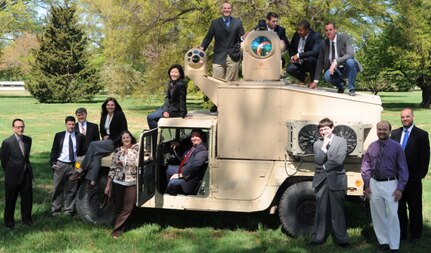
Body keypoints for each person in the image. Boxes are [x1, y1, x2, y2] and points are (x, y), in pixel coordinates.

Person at [361, 121, 409, 253]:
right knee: (378, 215)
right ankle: (384, 242)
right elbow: (365, 166)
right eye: (379, 129)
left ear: (389, 131)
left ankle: (394, 246)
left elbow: (403, 169)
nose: (381, 132)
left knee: (393, 214)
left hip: (391, 184)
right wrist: (367, 184)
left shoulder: (396, 147)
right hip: (374, 183)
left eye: (384, 129)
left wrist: (400, 188)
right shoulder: (371, 147)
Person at [390, 108, 430, 243]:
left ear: (413, 117)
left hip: (413, 178)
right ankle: (401, 233)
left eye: (407, 116)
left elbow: (425, 157)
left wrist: (420, 175)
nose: (405, 119)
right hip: (397, 179)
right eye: (402, 117)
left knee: (415, 207)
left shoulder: (421, 135)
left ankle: (415, 235)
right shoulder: (394, 134)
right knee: (399, 207)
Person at [70, 97, 128, 188]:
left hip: (115, 142)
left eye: (112, 105)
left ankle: (81, 169)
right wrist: (104, 135)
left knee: (93, 144)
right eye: (108, 105)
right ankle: (92, 181)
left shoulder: (119, 115)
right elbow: (102, 129)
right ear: (105, 106)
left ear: (115, 106)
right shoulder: (104, 115)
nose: (110, 106)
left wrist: (113, 139)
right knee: (97, 155)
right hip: (105, 141)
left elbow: (124, 130)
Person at [310, 118, 350, 248]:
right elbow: (318, 160)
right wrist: (324, 146)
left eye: (326, 128)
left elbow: (339, 160)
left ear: (332, 128)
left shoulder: (341, 141)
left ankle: (342, 240)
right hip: (321, 181)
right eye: (321, 129)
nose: (323, 132)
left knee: (337, 211)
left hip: (336, 180)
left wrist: (325, 167)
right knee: (321, 210)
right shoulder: (317, 144)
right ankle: (318, 238)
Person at [309, 21, 362, 96]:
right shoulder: (324, 43)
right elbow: (320, 61)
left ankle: (351, 88)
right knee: (327, 76)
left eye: (330, 29)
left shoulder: (345, 38)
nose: (328, 32)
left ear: (335, 30)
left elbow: (350, 54)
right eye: (326, 30)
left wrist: (336, 61)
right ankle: (341, 85)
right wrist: (315, 80)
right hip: (334, 71)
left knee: (350, 61)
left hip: (347, 68)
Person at [104, 131, 139, 239]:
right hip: (118, 182)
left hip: (131, 182)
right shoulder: (117, 151)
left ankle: (116, 231)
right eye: (124, 138)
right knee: (118, 207)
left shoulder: (137, 150)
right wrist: (108, 185)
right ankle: (120, 227)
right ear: (121, 140)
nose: (126, 139)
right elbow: (112, 168)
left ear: (131, 138)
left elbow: (146, 158)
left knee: (128, 207)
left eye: (127, 137)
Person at [49, 116, 86, 216]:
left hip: (73, 165)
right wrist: (53, 163)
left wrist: (80, 166)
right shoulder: (59, 135)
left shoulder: (80, 136)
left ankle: (68, 210)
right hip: (60, 164)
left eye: (73, 124)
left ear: (75, 124)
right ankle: (55, 211)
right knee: (58, 188)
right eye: (69, 124)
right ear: (66, 125)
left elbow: (83, 152)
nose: (71, 126)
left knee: (71, 189)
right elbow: (54, 150)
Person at [1, 119, 33, 229]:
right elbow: (4, 161)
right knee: (11, 200)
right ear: (13, 128)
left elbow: (26, 158)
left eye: (22, 126)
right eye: (18, 127)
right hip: (12, 177)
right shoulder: (7, 142)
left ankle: (27, 219)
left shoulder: (28, 140)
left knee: (27, 199)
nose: (21, 129)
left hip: (26, 175)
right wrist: (11, 172)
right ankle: (9, 222)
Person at [200, 2, 245, 81]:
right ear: (221, 10)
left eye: (228, 8)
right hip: (219, 56)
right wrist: (202, 48)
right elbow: (208, 37)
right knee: (217, 82)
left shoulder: (238, 22)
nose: (226, 10)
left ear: (231, 10)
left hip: (233, 56)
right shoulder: (215, 23)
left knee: (231, 83)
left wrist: (244, 38)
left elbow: (241, 38)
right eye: (224, 8)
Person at [166, 130, 208, 195]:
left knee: (172, 182)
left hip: (191, 177)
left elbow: (195, 165)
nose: (194, 138)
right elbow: (185, 146)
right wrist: (178, 144)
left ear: (201, 137)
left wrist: (180, 175)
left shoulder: (202, 149)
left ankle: (170, 195)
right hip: (185, 168)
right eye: (192, 136)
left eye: (197, 136)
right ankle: (168, 189)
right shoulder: (194, 145)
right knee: (168, 169)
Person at [147, 64, 187, 129]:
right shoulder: (171, 83)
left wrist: (183, 113)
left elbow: (182, 100)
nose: (173, 74)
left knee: (150, 117)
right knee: (155, 116)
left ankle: (156, 136)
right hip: (167, 107)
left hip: (175, 111)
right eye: (172, 72)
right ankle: (159, 133)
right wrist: (165, 110)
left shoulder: (181, 85)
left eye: (176, 72)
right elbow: (167, 97)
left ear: (180, 74)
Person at [286, 20, 322, 85]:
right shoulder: (296, 34)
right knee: (290, 69)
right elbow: (291, 47)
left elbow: (315, 52)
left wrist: (299, 55)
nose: (298, 32)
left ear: (307, 30)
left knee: (310, 59)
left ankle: (312, 81)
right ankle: (304, 78)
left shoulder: (316, 36)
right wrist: (292, 57)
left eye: (301, 31)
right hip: (299, 62)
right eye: (298, 30)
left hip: (310, 63)